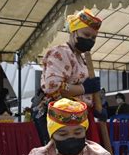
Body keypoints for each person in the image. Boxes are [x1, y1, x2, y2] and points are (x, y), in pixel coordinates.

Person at [40, 9, 104, 144]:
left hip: (82, 117)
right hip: (66, 121)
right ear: (74, 32)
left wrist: (97, 107)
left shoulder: (82, 58)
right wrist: (83, 88)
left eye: (93, 38)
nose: (90, 40)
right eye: (86, 34)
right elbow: (52, 86)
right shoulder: (61, 52)